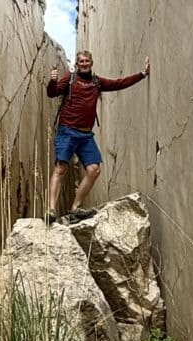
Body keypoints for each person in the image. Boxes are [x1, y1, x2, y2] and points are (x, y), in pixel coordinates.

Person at [45, 49, 149, 223]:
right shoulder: (70, 79)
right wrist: (52, 80)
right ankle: (51, 210)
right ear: (77, 64)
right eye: (81, 61)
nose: (84, 64)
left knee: (94, 170)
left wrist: (142, 74)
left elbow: (119, 83)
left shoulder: (96, 82)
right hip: (68, 131)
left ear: (91, 63)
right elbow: (52, 92)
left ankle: (75, 208)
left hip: (86, 135)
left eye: (87, 61)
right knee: (60, 169)